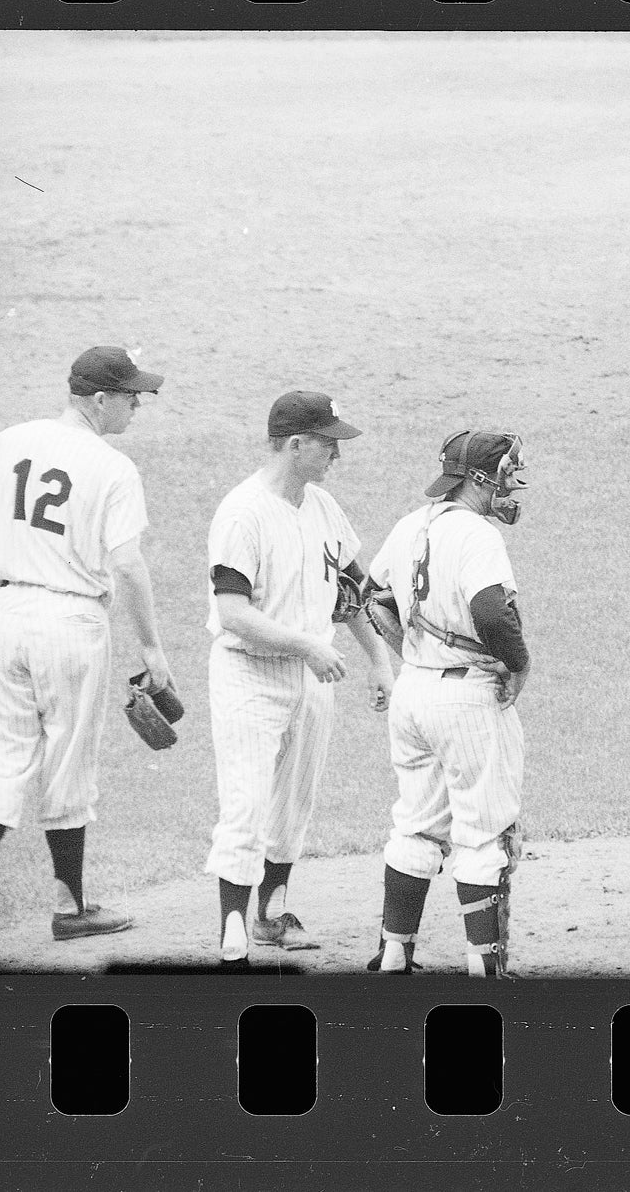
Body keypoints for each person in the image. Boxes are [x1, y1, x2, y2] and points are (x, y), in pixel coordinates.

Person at [0, 347, 171, 961]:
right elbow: (127, 563)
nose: (138, 404)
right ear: (98, 398)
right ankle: (70, 907)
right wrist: (153, 647)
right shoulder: (111, 466)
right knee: (68, 763)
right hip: (71, 622)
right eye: (131, 394)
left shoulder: (10, 440)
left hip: (0, 619)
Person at [346, 430, 535, 976]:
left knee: (416, 825)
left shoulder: (412, 523)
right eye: (508, 473)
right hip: (467, 698)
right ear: (481, 477)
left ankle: (394, 953)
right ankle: (485, 967)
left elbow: (371, 596)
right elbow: (494, 612)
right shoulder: (477, 535)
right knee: (483, 831)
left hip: (415, 691)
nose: (514, 485)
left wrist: (411, 649)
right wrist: (517, 662)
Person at [188, 391, 362, 954]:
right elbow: (233, 613)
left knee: (294, 799)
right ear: (294, 445)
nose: (337, 453)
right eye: (328, 442)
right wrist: (308, 646)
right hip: (249, 675)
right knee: (246, 802)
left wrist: (383, 667)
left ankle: (272, 911)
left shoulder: (324, 508)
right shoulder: (242, 512)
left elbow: (357, 592)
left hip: (310, 676)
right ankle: (231, 928)